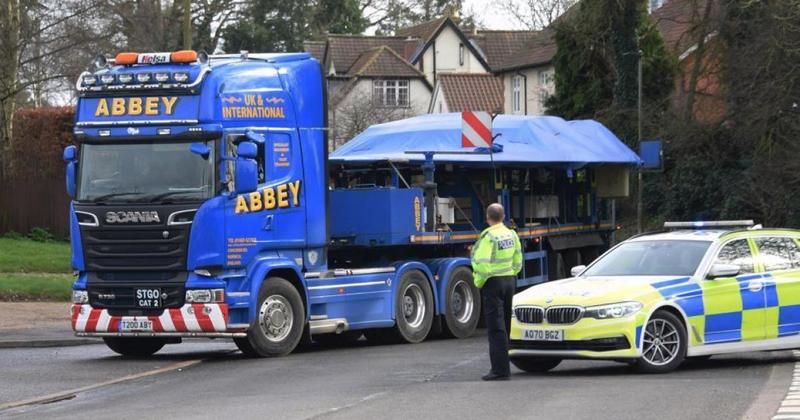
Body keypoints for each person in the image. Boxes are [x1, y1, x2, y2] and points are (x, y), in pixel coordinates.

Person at [471, 203, 522, 381]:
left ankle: (500, 370)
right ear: (503, 216)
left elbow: (483, 264)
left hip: (493, 282)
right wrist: (512, 274)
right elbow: (518, 259)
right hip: (509, 280)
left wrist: (478, 282)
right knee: (506, 325)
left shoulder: (489, 236)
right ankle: (504, 367)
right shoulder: (511, 233)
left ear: (487, 217)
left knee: (495, 328)